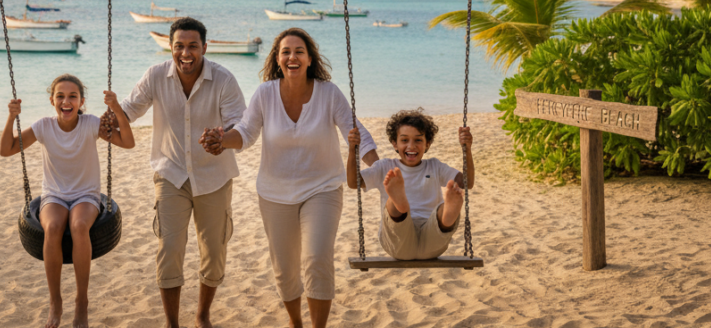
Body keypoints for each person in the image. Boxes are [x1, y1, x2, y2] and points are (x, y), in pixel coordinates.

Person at [199, 28, 377, 328]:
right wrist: (222, 140)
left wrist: (381, 169)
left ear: (309, 59)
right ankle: (296, 322)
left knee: (317, 258)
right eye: (286, 52)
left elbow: (356, 133)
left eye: (299, 52)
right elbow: (245, 132)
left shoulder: (328, 93)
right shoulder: (265, 93)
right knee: (285, 270)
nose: (292, 57)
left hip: (322, 188)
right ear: (277, 59)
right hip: (274, 193)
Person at [109, 17, 246, 328]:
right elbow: (130, 109)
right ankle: (172, 323)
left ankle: (202, 315)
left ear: (205, 48)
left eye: (192, 46)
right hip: (170, 174)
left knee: (214, 250)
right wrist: (105, 118)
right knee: (169, 248)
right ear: (170, 47)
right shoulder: (156, 75)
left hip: (214, 176)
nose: (186, 53)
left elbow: (239, 122)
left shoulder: (224, 79)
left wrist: (222, 138)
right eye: (179, 46)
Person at [0, 74, 135, 328]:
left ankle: (81, 301)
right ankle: (55, 301)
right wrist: (11, 117)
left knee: (79, 225)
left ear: (81, 101)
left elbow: (128, 142)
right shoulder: (43, 127)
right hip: (54, 194)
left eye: (73, 96)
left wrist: (116, 108)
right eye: (60, 96)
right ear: (52, 101)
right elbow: (7, 149)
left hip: (86, 194)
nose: (66, 101)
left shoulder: (91, 124)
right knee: (52, 227)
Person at [348, 109, 474, 261]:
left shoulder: (435, 166)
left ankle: (445, 216)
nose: (411, 146)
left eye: (418, 140)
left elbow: (467, 182)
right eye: (404, 140)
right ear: (394, 143)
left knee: (441, 210)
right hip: (398, 241)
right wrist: (352, 149)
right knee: (393, 207)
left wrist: (467, 148)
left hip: (431, 238)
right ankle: (399, 204)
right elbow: (354, 182)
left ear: (427, 144)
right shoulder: (384, 167)